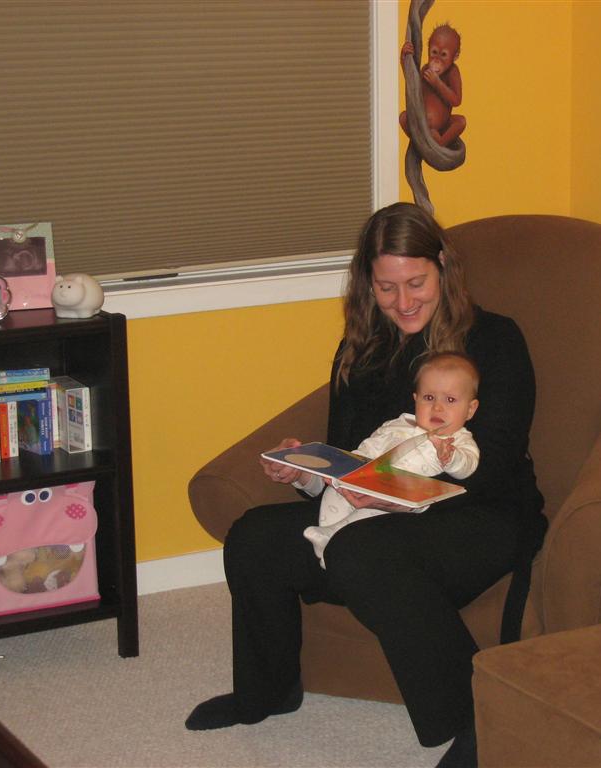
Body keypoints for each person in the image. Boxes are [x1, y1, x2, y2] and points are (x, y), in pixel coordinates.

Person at [185, 202, 546, 768]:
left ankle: (481, 719)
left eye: (416, 283)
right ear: (366, 283)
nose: (403, 302)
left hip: (481, 514)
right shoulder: (363, 349)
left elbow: (494, 463)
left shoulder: (495, 341)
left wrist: (390, 492)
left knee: (360, 550)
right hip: (373, 512)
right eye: (386, 287)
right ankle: (269, 690)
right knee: (255, 536)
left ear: (443, 266)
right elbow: (350, 459)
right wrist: (309, 472)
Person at [303, 351, 481, 568]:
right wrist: (352, 467)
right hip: (370, 480)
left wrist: (450, 458)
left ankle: (332, 535)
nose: (437, 407)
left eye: (450, 400)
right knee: (335, 493)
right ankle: (327, 541)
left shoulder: (459, 441)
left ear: (470, 409)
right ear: (415, 399)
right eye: (429, 398)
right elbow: (370, 446)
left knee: (369, 514)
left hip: (400, 500)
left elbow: (467, 467)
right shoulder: (397, 425)